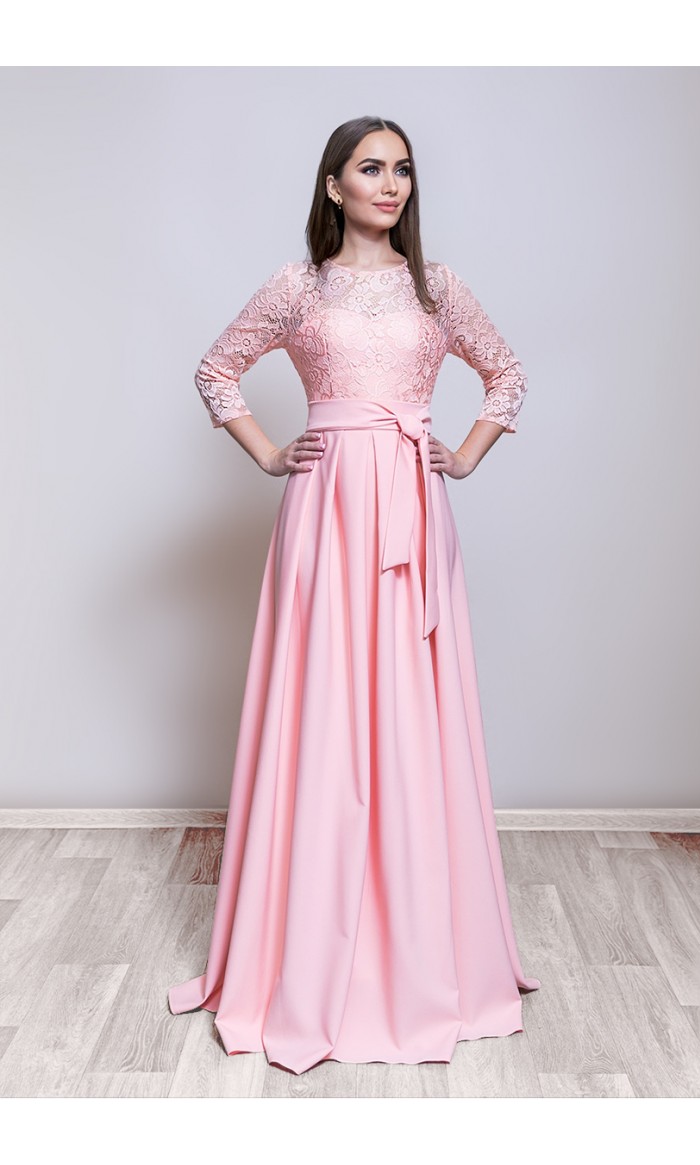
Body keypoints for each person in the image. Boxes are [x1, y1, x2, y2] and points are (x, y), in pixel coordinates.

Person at [167, 115, 541, 1075]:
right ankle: (306, 939)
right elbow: (216, 369)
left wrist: (463, 454)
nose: (391, 183)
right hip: (326, 507)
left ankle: (419, 943)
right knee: (324, 702)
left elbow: (506, 373)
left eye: (402, 169)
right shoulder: (297, 286)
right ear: (333, 185)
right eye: (370, 168)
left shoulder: (437, 287)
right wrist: (267, 452)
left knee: (412, 704)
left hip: (412, 504)